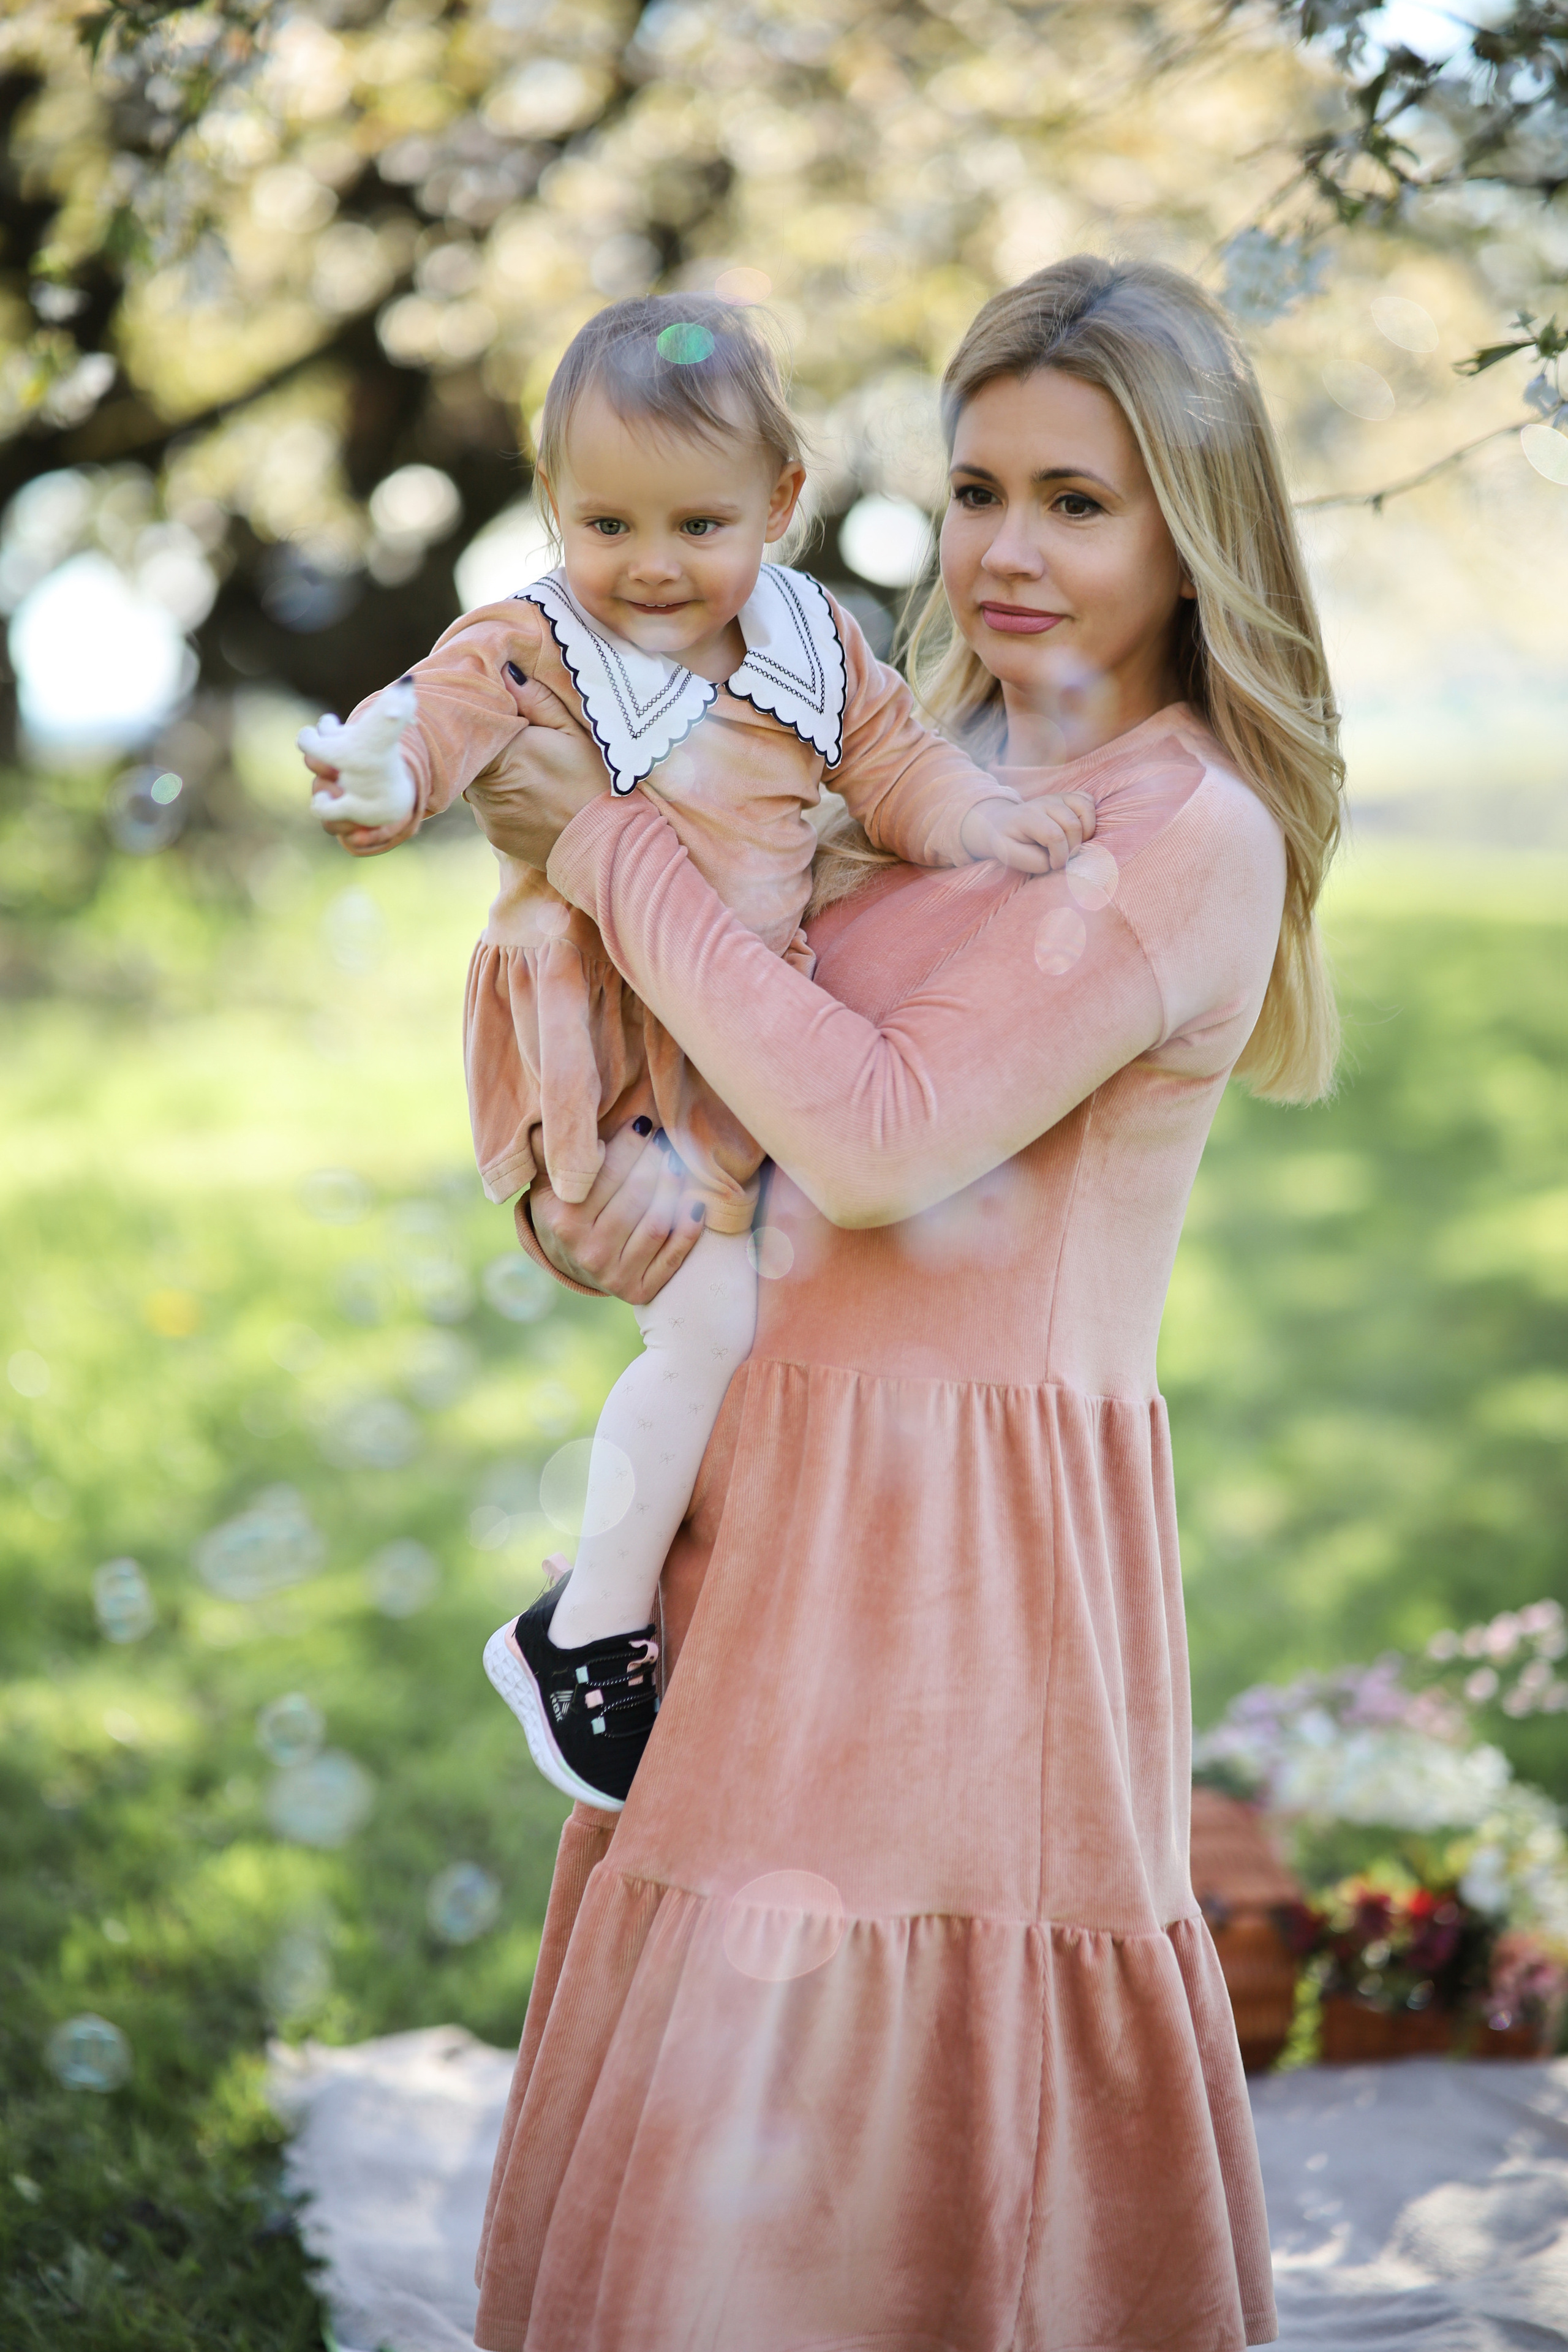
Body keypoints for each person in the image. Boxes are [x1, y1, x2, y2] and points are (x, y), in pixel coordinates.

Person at [453, 251, 1343, 2350]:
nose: (1006, 551)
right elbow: (746, 1092)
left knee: (881, 2022)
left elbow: (875, 1139)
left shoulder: (1186, 832)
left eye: (1076, 502)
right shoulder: (902, 768)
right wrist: (607, 1201)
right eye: (977, 490)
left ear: (1193, 532)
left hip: (964, 1545)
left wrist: (602, 850)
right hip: (774, 1486)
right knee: (726, 2030)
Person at [300, 292, 1093, 1813]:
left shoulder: (809, 640)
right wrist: (386, 778)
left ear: (780, 503)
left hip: (736, 1039)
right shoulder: (535, 640)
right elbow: (439, 714)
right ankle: (584, 1628)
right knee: (708, 1323)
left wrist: (983, 821)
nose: (651, 565)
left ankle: (730, 1596)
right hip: (602, 1058)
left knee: (808, 1304)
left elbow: (896, 766)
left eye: (697, 524)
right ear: (551, 505)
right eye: (606, 524)